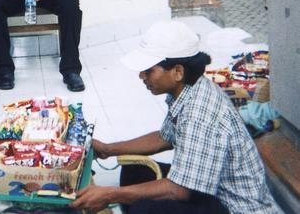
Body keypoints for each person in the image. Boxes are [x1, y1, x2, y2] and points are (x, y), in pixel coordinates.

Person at [70, 20, 281, 214]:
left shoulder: (200, 114)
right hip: (213, 188)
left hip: (233, 206)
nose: (142, 76)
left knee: (145, 209)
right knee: (134, 172)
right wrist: (109, 149)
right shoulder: (188, 88)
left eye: (148, 70)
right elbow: (164, 138)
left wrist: (109, 194)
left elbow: (179, 191)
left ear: (177, 71)